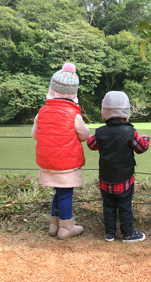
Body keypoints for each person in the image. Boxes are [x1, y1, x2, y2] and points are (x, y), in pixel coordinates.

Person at [32, 62, 90, 240]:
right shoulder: (74, 115)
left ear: (51, 89)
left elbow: (35, 135)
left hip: (47, 162)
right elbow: (84, 135)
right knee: (65, 193)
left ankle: (53, 225)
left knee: (58, 192)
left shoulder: (41, 112)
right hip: (67, 163)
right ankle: (66, 227)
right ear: (74, 93)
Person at [87, 91, 149, 243]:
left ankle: (110, 234)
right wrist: (146, 138)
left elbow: (91, 144)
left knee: (108, 206)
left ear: (104, 112)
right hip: (125, 180)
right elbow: (141, 148)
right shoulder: (130, 132)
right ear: (126, 112)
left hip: (105, 180)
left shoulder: (100, 132)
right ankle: (128, 234)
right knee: (125, 207)